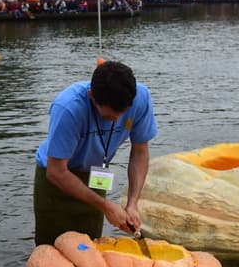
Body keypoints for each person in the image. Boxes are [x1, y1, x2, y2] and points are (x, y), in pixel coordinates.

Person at [33, 60, 158, 247]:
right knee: (52, 252)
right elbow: (56, 171)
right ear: (92, 96)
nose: (115, 120)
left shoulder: (141, 98)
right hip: (56, 182)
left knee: (89, 250)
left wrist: (132, 204)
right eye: (108, 116)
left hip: (95, 176)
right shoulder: (68, 108)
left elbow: (140, 152)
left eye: (122, 113)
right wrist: (106, 206)